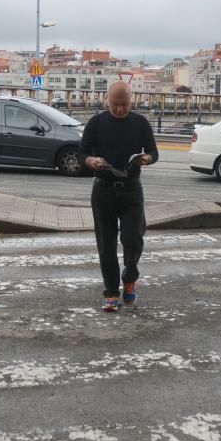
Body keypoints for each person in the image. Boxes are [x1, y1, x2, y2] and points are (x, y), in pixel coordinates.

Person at [78, 81, 158, 312]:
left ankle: (130, 278)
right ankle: (111, 292)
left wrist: (148, 159)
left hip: (132, 189)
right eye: (115, 105)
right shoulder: (96, 123)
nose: (120, 109)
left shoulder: (140, 123)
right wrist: (91, 161)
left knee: (133, 239)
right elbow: (82, 152)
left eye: (124, 104)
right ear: (107, 100)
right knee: (106, 244)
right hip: (103, 189)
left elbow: (153, 151)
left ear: (131, 101)